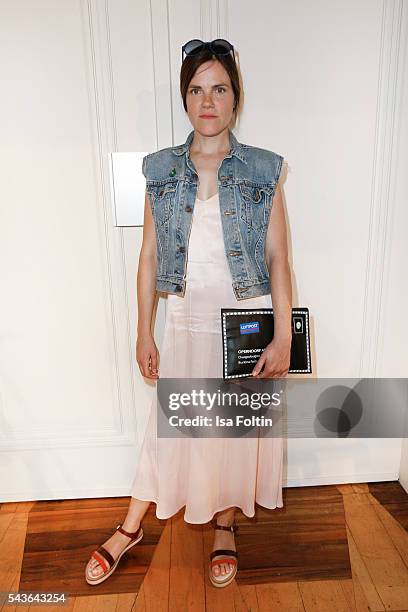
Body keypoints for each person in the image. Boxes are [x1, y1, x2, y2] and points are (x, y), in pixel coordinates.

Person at [85, 38, 292, 589]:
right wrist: (142, 332)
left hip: (242, 322)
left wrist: (283, 336)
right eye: (197, 90)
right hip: (184, 321)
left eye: (219, 89)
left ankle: (225, 523)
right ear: (185, 99)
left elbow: (278, 258)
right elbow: (149, 256)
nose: (208, 101)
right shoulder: (160, 171)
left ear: (234, 98)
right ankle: (131, 525)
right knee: (171, 428)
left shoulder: (263, 170)